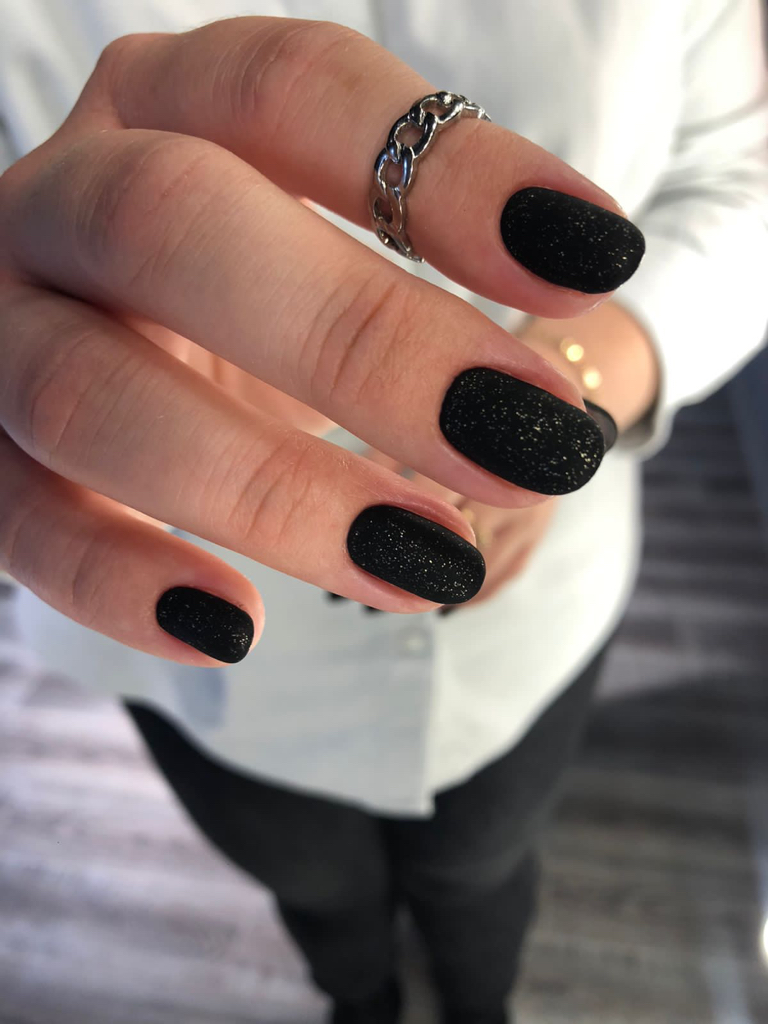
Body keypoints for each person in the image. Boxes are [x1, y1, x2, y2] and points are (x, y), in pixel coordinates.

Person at [1, 2, 766, 1022]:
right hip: (201, 635)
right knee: (318, 892)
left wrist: (577, 384)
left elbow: (741, 178)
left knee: (483, 873)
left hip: (531, 618)